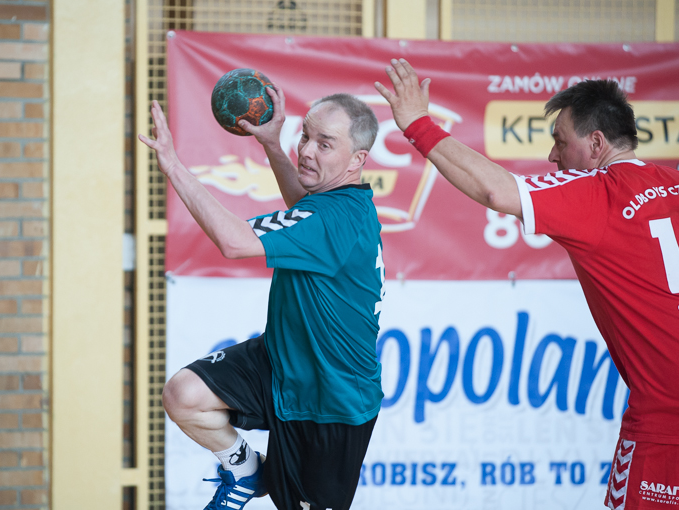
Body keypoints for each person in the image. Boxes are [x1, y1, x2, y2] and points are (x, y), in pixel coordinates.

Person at [375, 58, 679, 510]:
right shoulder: (673, 183)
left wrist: (418, 125)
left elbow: (496, 191)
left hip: (663, 428)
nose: (553, 157)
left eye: (560, 142)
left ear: (596, 144)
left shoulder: (599, 193)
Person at [138, 84, 385, 510]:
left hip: (331, 400)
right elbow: (302, 204)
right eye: (305, 136)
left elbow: (234, 242)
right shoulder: (333, 204)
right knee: (185, 395)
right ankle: (245, 470)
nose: (306, 150)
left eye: (325, 144)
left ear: (357, 160)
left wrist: (174, 167)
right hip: (282, 361)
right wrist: (272, 143)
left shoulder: (333, 220)